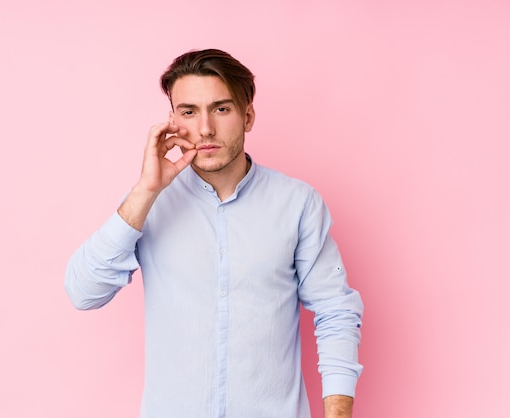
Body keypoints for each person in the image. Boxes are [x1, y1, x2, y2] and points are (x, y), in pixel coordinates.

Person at [65, 49, 363, 418]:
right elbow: (83, 293)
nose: (205, 128)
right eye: (189, 111)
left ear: (248, 116)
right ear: (172, 120)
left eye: (221, 109)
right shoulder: (148, 203)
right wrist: (145, 191)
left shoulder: (298, 204)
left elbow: (336, 312)